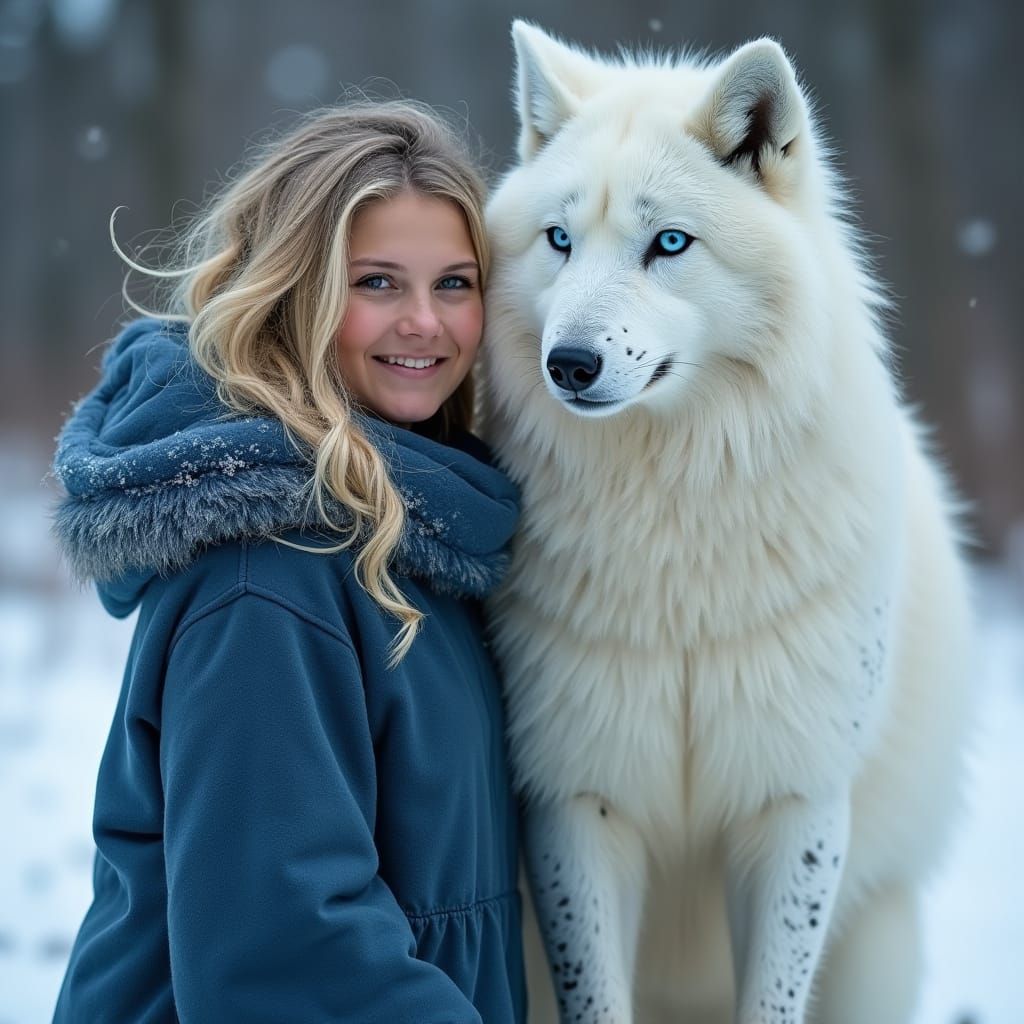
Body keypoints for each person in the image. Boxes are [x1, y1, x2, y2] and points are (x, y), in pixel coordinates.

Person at [50, 101, 525, 1023]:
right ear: (294, 290)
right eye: (378, 282)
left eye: (456, 283)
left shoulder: (418, 529)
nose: (427, 323)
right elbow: (287, 959)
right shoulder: (269, 575)